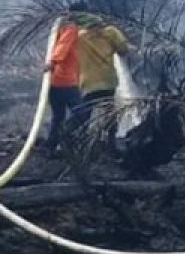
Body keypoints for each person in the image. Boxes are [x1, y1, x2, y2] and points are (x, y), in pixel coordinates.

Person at [74, 9, 130, 140]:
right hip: (108, 81)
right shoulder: (111, 33)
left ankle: (78, 139)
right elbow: (123, 50)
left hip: (88, 83)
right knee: (109, 114)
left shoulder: (79, 37)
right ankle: (110, 141)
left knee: (84, 113)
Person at [43, 9, 82, 156]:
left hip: (55, 82)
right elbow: (62, 48)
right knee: (81, 112)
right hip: (66, 82)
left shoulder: (60, 29)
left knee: (58, 116)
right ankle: (64, 135)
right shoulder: (71, 28)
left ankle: (50, 147)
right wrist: (53, 62)